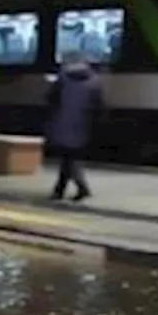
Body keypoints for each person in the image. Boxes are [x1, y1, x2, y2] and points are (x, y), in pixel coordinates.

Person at [45, 52, 104, 202]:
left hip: (63, 122)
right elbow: (99, 106)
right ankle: (60, 190)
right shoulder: (95, 81)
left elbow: (51, 99)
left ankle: (80, 189)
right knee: (70, 157)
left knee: (68, 158)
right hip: (83, 124)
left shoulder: (62, 79)